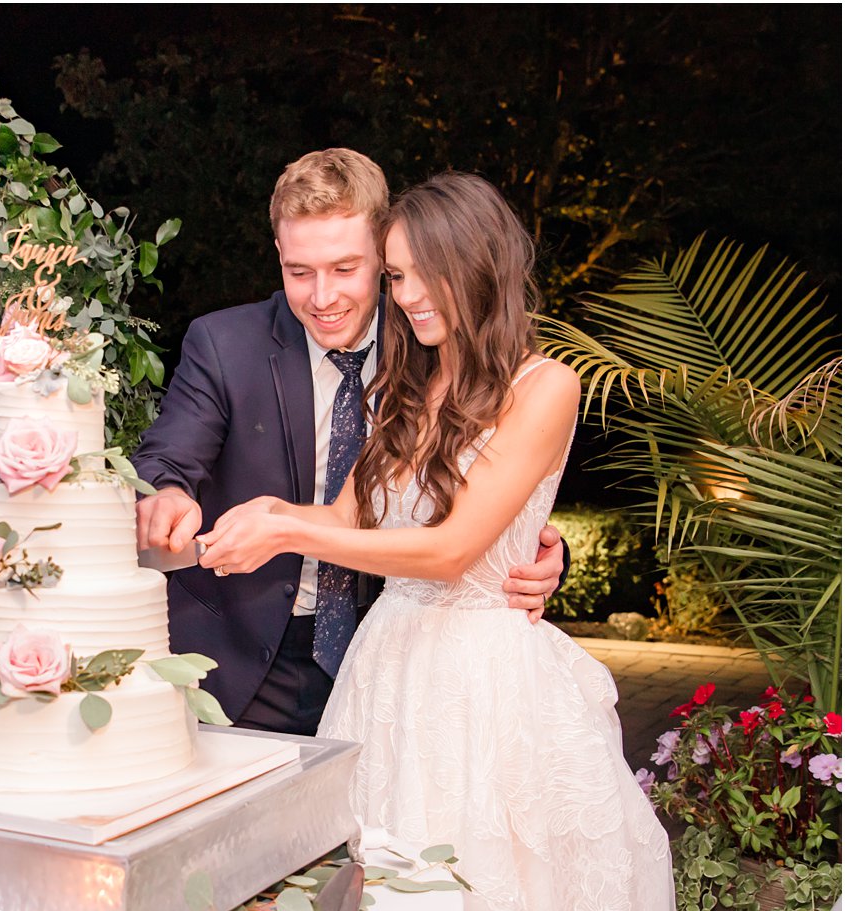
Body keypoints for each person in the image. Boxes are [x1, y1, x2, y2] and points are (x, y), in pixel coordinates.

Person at [198, 172, 692, 911]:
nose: (409, 295)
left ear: (482, 263)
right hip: (387, 670)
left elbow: (455, 548)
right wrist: (259, 522)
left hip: (492, 682)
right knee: (382, 902)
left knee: (502, 904)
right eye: (395, 276)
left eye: (425, 271)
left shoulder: (546, 386)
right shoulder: (397, 385)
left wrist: (285, 527)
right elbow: (345, 520)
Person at [132, 149, 564, 736]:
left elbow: (475, 513)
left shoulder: (423, 348)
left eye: (346, 268)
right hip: (249, 654)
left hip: (398, 655)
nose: (322, 296)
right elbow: (168, 457)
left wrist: (527, 546)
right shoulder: (224, 343)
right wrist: (166, 493)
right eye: (299, 272)